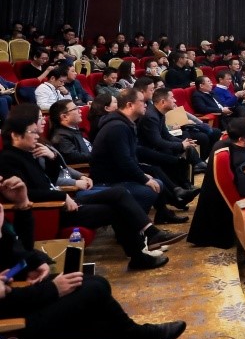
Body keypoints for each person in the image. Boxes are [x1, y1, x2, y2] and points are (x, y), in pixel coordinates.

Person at [0, 201, 187, 339]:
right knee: (93, 290)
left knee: (96, 282)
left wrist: (22, 206)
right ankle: (134, 338)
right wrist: (53, 289)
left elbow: (21, 249)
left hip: (18, 294)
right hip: (15, 321)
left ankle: (129, 337)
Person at [0, 109, 178, 269]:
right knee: (115, 210)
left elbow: (51, 180)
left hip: (62, 200)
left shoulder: (29, 152)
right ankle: (140, 255)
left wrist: (52, 158)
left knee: (119, 193)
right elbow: (26, 194)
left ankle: (150, 234)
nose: (37, 135)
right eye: (32, 132)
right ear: (16, 135)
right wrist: (62, 197)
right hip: (52, 210)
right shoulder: (8, 160)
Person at [91, 89, 197, 222]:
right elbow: (124, 161)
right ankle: (134, 225)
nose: (146, 104)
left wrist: (142, 174)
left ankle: (164, 212)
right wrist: (143, 178)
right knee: (152, 185)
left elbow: (129, 158)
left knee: (155, 174)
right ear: (130, 105)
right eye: (142, 101)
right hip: (109, 180)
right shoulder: (117, 127)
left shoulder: (125, 123)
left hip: (118, 173)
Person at [48, 99, 93, 165]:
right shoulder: (61, 137)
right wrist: (99, 155)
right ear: (64, 117)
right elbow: (74, 158)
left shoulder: (73, 130)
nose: (80, 111)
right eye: (75, 109)